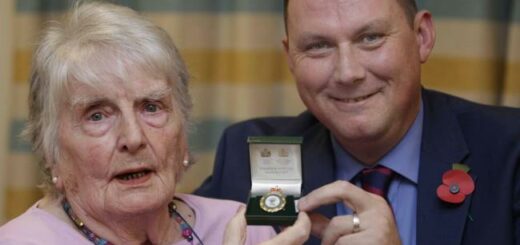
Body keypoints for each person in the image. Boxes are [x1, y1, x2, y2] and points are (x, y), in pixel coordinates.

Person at [195, 0, 520, 244]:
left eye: (370, 38)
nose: (348, 73)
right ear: (290, 57)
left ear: (421, 36)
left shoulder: (510, 151)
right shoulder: (252, 157)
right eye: (318, 46)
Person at [0, 2, 312, 244]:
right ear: (51, 152)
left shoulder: (240, 227)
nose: (133, 138)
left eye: (151, 107)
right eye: (97, 115)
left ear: (183, 136)